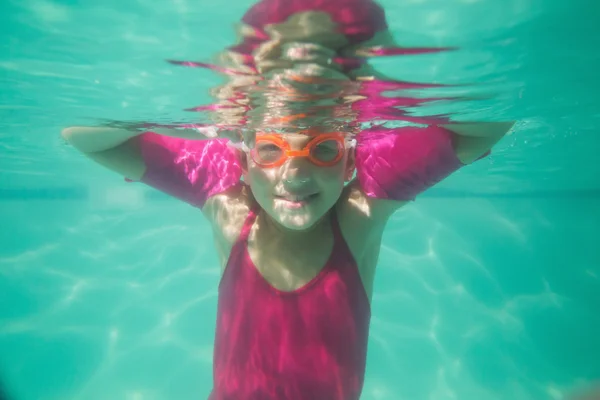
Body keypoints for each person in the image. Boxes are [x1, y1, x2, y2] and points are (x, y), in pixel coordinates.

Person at [61, 0, 513, 399]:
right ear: (245, 157)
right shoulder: (226, 197)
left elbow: (493, 121)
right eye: (271, 149)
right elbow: (82, 137)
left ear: (349, 159)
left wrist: (378, 81)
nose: (294, 174)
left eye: (324, 149)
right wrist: (196, 123)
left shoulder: (362, 208)